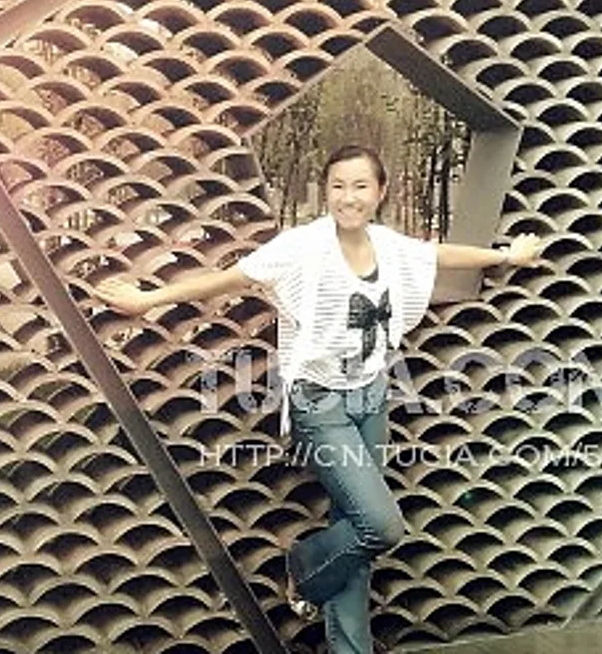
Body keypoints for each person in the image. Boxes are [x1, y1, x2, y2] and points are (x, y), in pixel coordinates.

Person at [94, 144, 543, 653]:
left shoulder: (387, 244)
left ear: (380, 192)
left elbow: (438, 254)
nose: (348, 197)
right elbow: (232, 277)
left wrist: (507, 256)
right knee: (380, 526)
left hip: (371, 397)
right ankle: (304, 567)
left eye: (360, 186)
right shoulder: (302, 247)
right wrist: (148, 300)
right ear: (325, 191)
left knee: (354, 527)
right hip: (320, 404)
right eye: (338, 186)